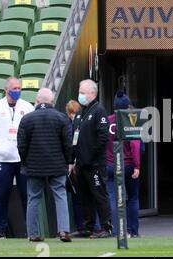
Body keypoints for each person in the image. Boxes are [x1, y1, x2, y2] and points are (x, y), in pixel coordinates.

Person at [17, 88, 73, 242]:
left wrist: (26, 162)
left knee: (33, 199)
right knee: (60, 196)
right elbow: (67, 144)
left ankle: (33, 233)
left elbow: (21, 145)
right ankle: (64, 231)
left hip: (34, 166)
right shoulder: (62, 118)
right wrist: (68, 161)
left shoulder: (26, 119)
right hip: (57, 165)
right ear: (52, 101)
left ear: (37, 100)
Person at [0, 77, 34, 239]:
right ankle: (0, 231)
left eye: (19, 88)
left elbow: (33, 131)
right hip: (4, 160)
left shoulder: (27, 107)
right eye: (14, 88)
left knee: (27, 196)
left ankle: (31, 231)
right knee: (2, 195)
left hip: (23, 159)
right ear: (6, 89)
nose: (17, 91)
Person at [71, 79, 111, 238]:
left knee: (99, 195)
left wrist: (90, 157)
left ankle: (106, 227)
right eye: (79, 92)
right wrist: (71, 160)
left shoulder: (99, 110)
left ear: (92, 93)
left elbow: (103, 137)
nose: (79, 95)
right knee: (84, 196)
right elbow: (74, 138)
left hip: (94, 164)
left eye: (82, 92)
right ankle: (88, 227)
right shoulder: (80, 112)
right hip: (81, 165)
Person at [106, 93, 141, 237]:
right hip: (128, 165)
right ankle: (133, 231)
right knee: (133, 197)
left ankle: (117, 232)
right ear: (127, 106)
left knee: (113, 198)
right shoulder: (131, 121)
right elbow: (135, 145)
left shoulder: (107, 121)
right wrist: (137, 165)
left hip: (110, 164)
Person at [64, 100, 84, 233]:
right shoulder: (84, 122)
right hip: (82, 163)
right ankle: (88, 225)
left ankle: (81, 225)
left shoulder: (72, 126)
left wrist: (70, 163)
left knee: (77, 198)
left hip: (75, 165)